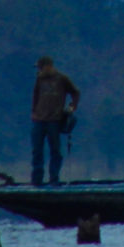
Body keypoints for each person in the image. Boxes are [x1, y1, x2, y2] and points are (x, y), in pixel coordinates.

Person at [31, 55, 80, 186]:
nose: (40, 69)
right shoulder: (39, 79)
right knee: (37, 150)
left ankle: (54, 178)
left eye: (41, 67)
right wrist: (34, 112)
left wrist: (71, 107)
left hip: (54, 120)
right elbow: (35, 96)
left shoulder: (62, 79)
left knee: (55, 151)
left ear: (48, 66)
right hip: (39, 120)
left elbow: (75, 92)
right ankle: (37, 180)